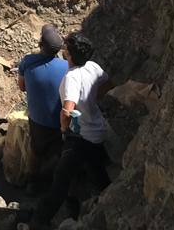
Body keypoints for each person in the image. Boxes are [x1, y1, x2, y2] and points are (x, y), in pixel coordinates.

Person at [32, 32, 113, 228]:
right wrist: (91, 101)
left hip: (80, 136)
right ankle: (109, 204)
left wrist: (64, 129)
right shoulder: (93, 67)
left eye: (66, 49)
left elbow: (67, 111)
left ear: (69, 54)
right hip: (99, 130)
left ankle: (39, 222)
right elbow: (108, 85)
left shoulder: (72, 78)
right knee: (97, 170)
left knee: (60, 181)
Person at [16, 24, 68, 183]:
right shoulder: (67, 67)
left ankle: (32, 183)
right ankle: (55, 184)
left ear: (40, 44)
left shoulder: (27, 61)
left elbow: (22, 87)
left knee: (36, 150)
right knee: (58, 152)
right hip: (61, 120)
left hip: (38, 119)